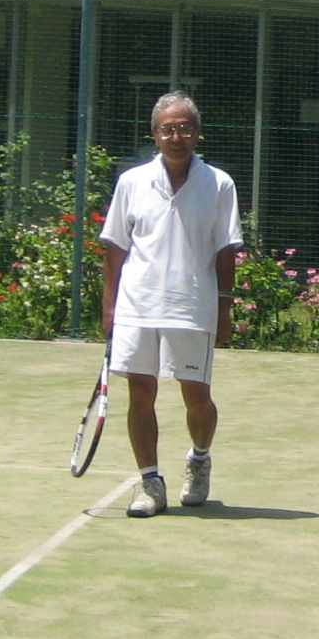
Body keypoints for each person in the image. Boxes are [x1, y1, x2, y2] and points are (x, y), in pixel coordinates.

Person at [100, 91, 243, 518]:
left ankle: (199, 459)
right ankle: (150, 483)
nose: (176, 137)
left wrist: (224, 309)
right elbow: (114, 249)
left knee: (197, 397)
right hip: (137, 306)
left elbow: (226, 251)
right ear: (154, 134)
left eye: (184, 128)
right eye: (168, 130)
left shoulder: (219, 183)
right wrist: (109, 309)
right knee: (140, 394)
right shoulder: (131, 182)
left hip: (192, 307)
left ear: (197, 133)